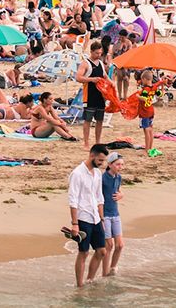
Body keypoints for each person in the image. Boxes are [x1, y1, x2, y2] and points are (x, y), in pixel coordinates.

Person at [67, 144, 108, 287]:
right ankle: (79, 285)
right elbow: (73, 200)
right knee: (83, 252)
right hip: (83, 217)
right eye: (100, 160)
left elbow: (99, 197)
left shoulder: (97, 173)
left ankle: (90, 279)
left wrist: (102, 219)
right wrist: (74, 223)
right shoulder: (77, 173)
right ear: (92, 155)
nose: (102, 163)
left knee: (102, 251)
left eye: (103, 161)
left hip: (96, 217)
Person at [75, 42, 108, 148]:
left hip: (100, 95)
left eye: (100, 53)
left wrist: (111, 85)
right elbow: (78, 77)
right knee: (88, 120)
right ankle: (86, 143)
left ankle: (98, 142)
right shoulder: (85, 63)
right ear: (91, 52)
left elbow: (105, 76)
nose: (98, 55)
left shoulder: (101, 63)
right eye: (97, 53)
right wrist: (91, 79)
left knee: (100, 120)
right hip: (89, 95)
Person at [101, 152, 125, 276]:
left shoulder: (118, 177)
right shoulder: (102, 178)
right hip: (105, 215)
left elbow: (119, 190)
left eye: (121, 165)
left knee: (120, 245)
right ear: (110, 165)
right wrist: (100, 218)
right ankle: (104, 274)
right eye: (117, 164)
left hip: (115, 214)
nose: (120, 167)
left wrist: (121, 194)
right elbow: (96, 197)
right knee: (108, 246)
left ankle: (113, 269)